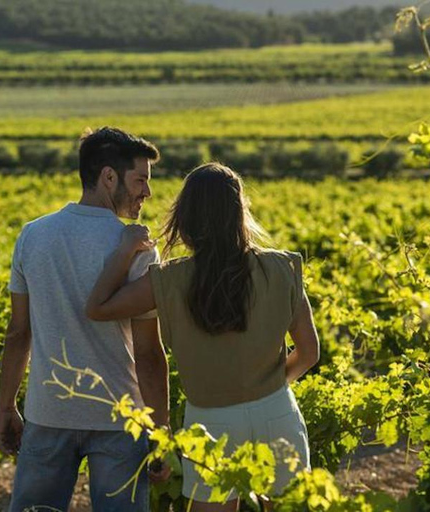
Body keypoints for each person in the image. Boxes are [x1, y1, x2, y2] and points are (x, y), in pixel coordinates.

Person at [86, 162, 320, 511]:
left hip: (210, 423)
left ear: (186, 217)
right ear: (239, 214)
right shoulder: (281, 268)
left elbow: (98, 307)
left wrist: (124, 251)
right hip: (277, 411)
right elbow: (309, 352)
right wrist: (266, 387)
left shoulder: (168, 279)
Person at [0, 127, 170, 512]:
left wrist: (6, 406)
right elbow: (147, 352)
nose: (147, 192)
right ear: (109, 177)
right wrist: (161, 429)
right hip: (121, 419)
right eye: (140, 180)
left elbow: (18, 333)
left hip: (49, 411)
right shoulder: (138, 247)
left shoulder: (33, 236)